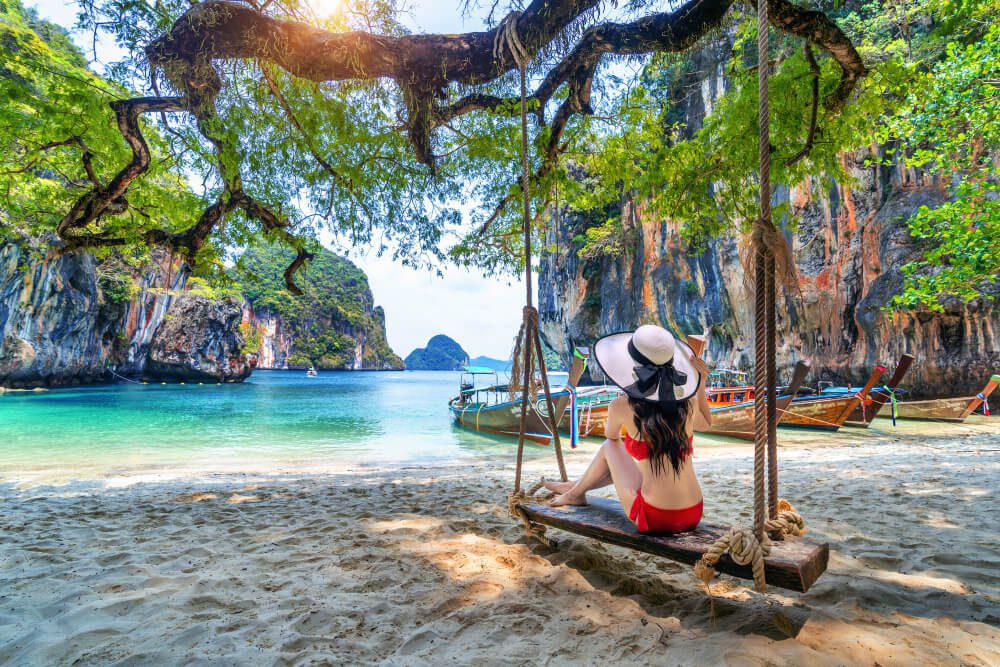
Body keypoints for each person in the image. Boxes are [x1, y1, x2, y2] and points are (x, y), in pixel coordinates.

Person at [544, 325, 712, 533]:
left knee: (609, 447)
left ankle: (574, 493)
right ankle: (574, 487)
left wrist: (635, 433)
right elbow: (706, 423)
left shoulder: (622, 406)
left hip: (655, 517)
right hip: (693, 512)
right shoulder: (686, 404)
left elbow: (611, 438)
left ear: (632, 365)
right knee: (633, 459)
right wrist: (701, 383)